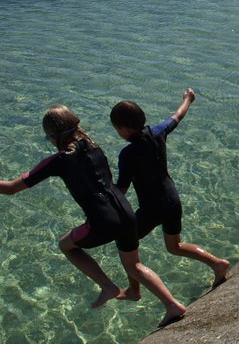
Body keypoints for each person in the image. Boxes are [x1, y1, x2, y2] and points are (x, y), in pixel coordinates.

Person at [0, 105, 187, 329]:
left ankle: (108, 287)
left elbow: (11, 188)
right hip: (125, 212)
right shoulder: (92, 144)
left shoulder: (59, 160)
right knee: (134, 266)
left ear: (53, 136)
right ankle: (170, 304)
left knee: (66, 245)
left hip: (102, 221)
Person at [110, 88, 229, 297]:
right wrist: (188, 99)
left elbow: (122, 189)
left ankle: (133, 290)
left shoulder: (127, 154)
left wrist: (103, 193)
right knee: (175, 246)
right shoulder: (158, 132)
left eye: (117, 129)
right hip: (172, 200)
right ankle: (217, 264)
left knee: (125, 242)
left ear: (124, 129)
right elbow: (177, 116)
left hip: (152, 208)